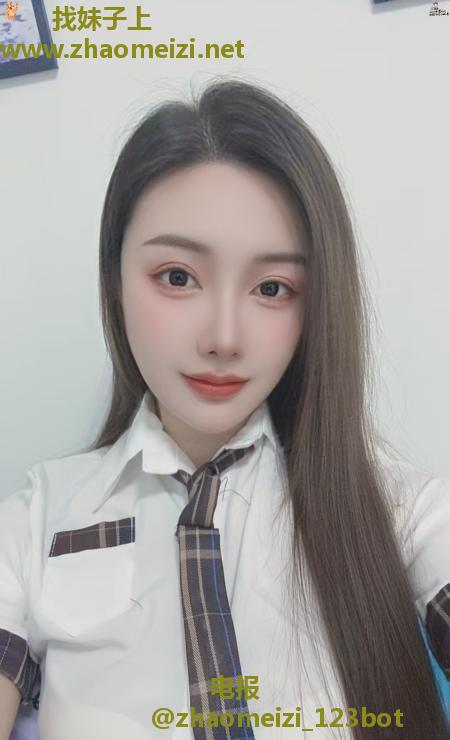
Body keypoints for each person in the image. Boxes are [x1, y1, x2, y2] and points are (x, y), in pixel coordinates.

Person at [0, 78, 448, 740]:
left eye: (272, 288)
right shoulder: (38, 520)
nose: (224, 338)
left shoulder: (399, 510)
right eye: (178, 277)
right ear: (115, 278)